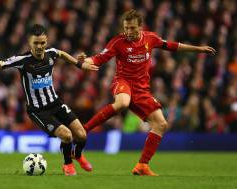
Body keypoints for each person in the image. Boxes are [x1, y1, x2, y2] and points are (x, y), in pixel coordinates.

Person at [80, 9, 216, 176]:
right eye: (126, 28)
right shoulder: (118, 42)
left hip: (141, 89)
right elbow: (98, 58)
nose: (128, 32)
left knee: (161, 124)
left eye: (132, 28)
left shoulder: (150, 38)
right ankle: (84, 129)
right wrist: (83, 61)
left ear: (140, 27)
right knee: (123, 102)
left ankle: (142, 165)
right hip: (123, 82)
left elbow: (172, 46)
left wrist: (199, 49)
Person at [0, 24, 99, 176]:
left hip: (55, 103)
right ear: (29, 43)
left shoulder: (51, 53)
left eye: (42, 43)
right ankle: (68, 164)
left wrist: (79, 65)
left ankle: (78, 154)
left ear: (46, 42)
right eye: (35, 43)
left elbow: (61, 53)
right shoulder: (22, 60)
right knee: (67, 135)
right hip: (38, 110)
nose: (39, 46)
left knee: (82, 135)